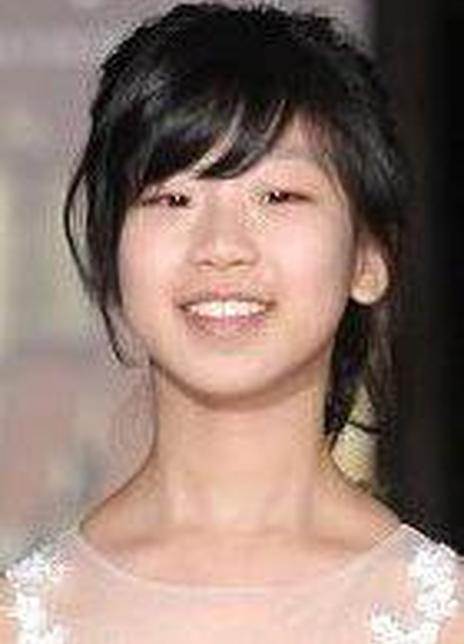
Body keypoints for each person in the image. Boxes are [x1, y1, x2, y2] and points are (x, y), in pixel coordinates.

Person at [1, 3, 463, 641]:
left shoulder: (445, 616)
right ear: (111, 255)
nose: (221, 246)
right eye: (173, 198)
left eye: (278, 196)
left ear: (368, 258)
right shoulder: (20, 618)